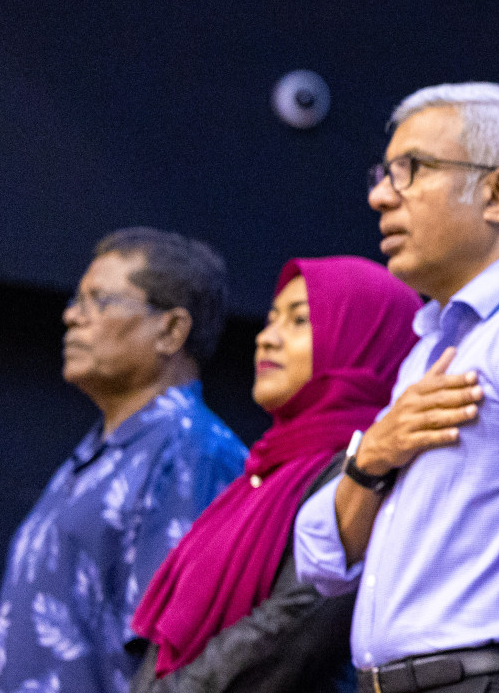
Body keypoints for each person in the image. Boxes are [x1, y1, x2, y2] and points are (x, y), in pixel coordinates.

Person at [294, 82, 499, 693]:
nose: (379, 196)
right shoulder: (430, 345)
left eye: (411, 169)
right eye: (383, 173)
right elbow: (319, 560)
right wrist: (369, 458)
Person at [129, 256, 421, 693]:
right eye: (270, 320)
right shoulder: (260, 475)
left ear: (362, 341)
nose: (266, 338)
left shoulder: (366, 474)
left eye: (299, 320)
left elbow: (295, 626)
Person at [0, 227, 248, 693]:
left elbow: (177, 655)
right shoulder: (100, 453)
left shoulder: (194, 452)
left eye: (99, 301)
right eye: (77, 300)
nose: (72, 316)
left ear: (171, 330)